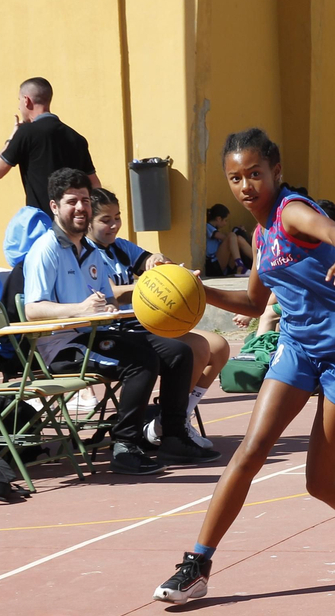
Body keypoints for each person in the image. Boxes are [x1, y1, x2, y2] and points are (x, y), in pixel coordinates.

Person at [152, 128, 335, 604]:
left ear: (275, 172)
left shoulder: (292, 211)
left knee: (319, 481)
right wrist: (195, 291)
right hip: (297, 346)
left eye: (255, 173)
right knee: (250, 450)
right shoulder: (262, 235)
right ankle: (197, 564)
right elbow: (255, 301)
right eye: (235, 178)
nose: (246, 185)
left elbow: (334, 232)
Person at [24, 169, 217, 475]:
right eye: (72, 201)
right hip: (64, 346)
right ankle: (125, 446)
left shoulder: (90, 252)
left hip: (98, 334)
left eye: (84, 200)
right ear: (54, 206)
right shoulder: (45, 249)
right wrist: (79, 310)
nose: (80, 207)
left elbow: (109, 301)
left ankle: (173, 437)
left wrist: (163, 288)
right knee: (141, 363)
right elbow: (32, 310)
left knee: (179, 352)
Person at [88, 187, 226, 448]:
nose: (114, 225)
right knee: (197, 347)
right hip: (117, 331)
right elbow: (110, 294)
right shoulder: (86, 253)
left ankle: (170, 419)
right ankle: (171, 421)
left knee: (219, 346)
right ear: (88, 222)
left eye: (117, 217)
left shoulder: (120, 247)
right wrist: (151, 287)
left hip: (145, 325)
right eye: (105, 220)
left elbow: (153, 263)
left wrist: (162, 263)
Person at [0, 76, 100, 215]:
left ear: (26, 100)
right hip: (71, 222)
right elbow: (95, 185)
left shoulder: (26, 133)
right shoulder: (77, 138)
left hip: (41, 221)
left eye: (19, 101)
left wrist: (12, 137)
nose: (19, 107)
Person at [205, 203, 254, 276]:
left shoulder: (216, 229)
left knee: (238, 238)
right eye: (225, 220)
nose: (226, 223)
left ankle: (259, 262)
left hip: (223, 264)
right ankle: (240, 266)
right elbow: (225, 238)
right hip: (213, 264)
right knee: (232, 236)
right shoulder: (207, 226)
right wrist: (234, 234)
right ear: (219, 219)